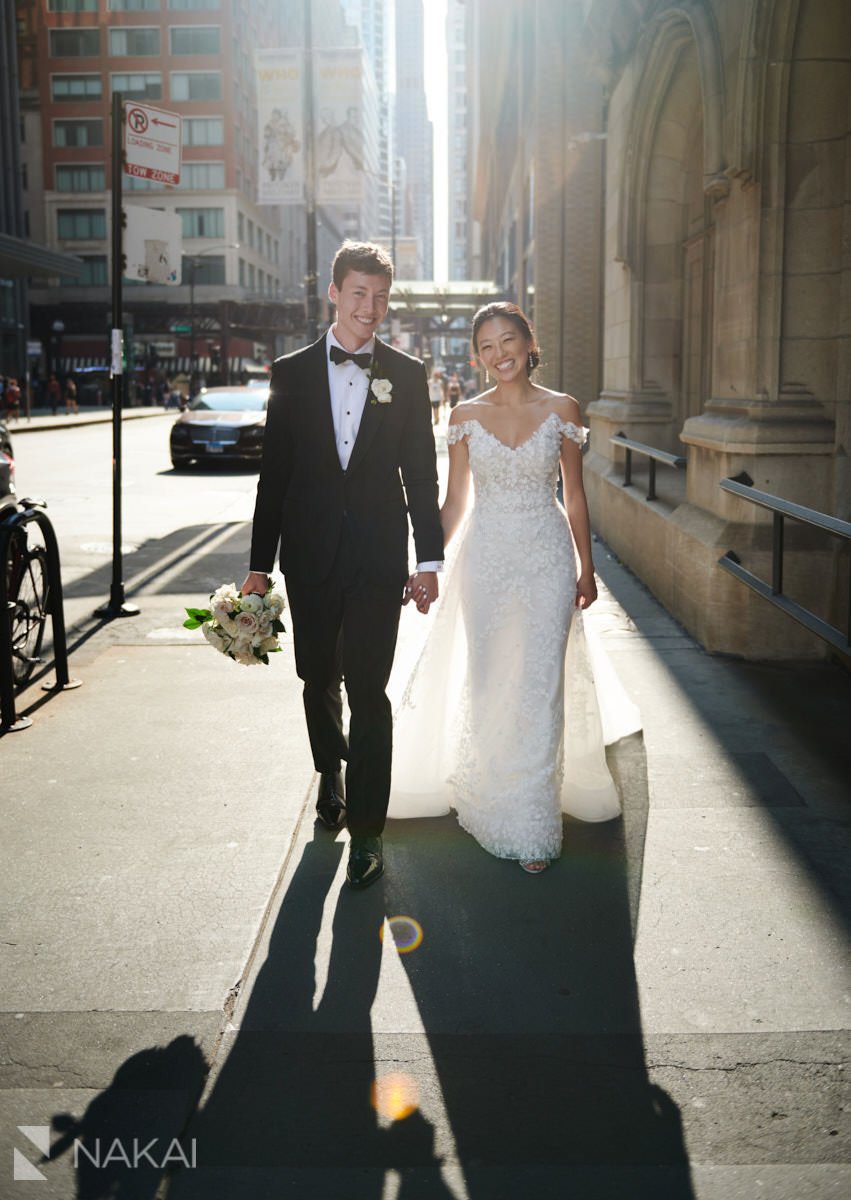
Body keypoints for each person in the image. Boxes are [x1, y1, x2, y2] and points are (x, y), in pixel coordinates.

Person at [389, 302, 641, 873]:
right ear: (477, 357)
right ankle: (488, 795)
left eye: (508, 341)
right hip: (486, 560)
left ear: (530, 342)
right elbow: (454, 502)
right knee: (489, 680)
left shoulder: (563, 409)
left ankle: (532, 818)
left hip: (547, 557)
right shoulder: (463, 415)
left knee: (539, 683)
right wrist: (427, 562)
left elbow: (574, 495)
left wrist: (586, 565)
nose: (499, 354)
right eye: (487, 346)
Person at [240, 241, 443, 891]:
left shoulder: (406, 375)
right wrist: (258, 567)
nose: (370, 308)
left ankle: (367, 832)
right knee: (314, 675)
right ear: (333, 292)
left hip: (379, 558)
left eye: (381, 297)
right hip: (310, 554)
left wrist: (429, 558)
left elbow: (421, 472)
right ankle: (330, 766)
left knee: (369, 692)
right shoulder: (292, 373)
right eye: (358, 293)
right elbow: (274, 476)